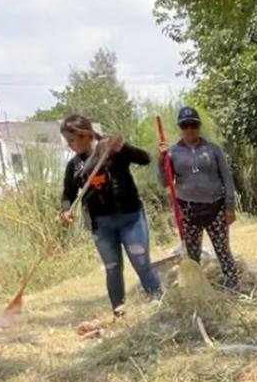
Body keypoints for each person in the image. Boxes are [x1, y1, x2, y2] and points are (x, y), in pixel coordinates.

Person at [59, 113, 163, 315]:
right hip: (101, 225)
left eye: (72, 140)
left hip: (130, 218)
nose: (70, 145)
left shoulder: (110, 149)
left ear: (85, 135)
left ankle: (159, 300)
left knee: (141, 262)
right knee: (112, 267)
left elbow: (145, 159)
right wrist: (65, 210)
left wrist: (123, 147)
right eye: (68, 141)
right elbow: (68, 194)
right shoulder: (74, 166)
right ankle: (119, 310)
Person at [158, 107, 239, 291]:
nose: (189, 129)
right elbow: (165, 182)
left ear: (198, 126)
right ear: (180, 128)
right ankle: (196, 291)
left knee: (223, 251)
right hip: (188, 212)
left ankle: (233, 287)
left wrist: (229, 206)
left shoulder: (212, 149)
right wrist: (161, 160)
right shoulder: (172, 153)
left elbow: (227, 178)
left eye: (193, 125)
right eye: (185, 125)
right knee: (192, 257)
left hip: (215, 209)